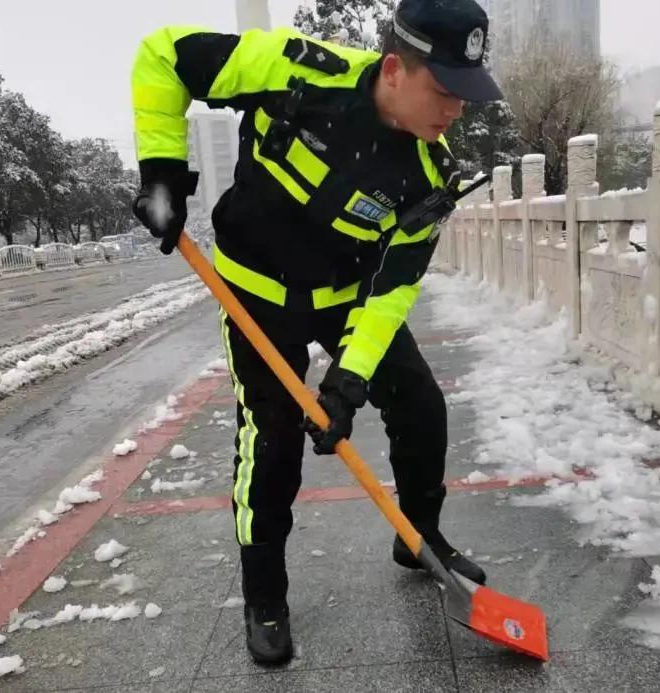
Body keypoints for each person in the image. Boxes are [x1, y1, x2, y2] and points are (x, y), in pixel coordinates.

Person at [129, 0, 502, 666]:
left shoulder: (428, 176)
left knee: (419, 404)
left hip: (343, 297)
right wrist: (161, 170)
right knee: (271, 442)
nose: (455, 113)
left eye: (465, 97)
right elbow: (163, 54)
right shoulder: (296, 70)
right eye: (444, 91)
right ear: (395, 69)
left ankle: (417, 535)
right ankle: (264, 591)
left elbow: (393, 290)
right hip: (256, 292)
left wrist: (348, 382)